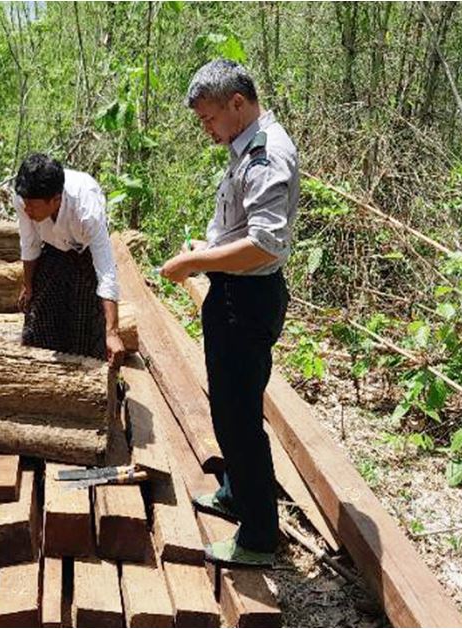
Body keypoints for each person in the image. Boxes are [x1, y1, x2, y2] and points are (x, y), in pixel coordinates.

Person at [159, 59, 299, 567]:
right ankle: (237, 494)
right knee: (228, 407)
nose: (207, 129)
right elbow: (244, 230)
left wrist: (196, 262)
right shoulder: (246, 146)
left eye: (210, 118)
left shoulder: (265, 156)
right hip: (234, 294)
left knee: (239, 420)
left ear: (237, 103)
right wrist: (210, 248)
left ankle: (258, 538)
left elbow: (265, 246)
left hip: (247, 300)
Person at [13, 154, 125, 366]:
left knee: (85, 329)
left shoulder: (87, 210)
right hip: (52, 250)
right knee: (39, 322)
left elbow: (106, 268)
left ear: (55, 200)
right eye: (25, 203)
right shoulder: (24, 198)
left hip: (85, 253)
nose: (27, 210)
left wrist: (112, 332)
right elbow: (30, 243)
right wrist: (28, 286)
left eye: (33, 205)